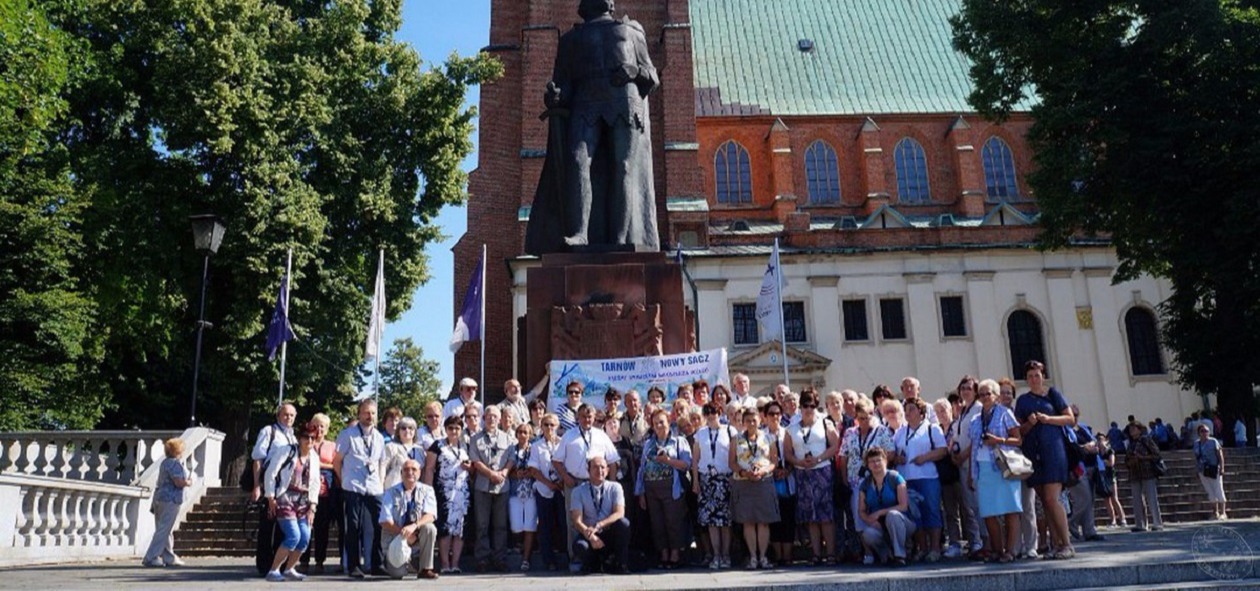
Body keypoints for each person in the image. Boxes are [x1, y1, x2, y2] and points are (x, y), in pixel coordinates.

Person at [524, 0, 660, 254]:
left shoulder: (631, 31)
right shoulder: (570, 40)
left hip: (624, 102)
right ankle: (579, 234)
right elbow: (563, 85)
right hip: (585, 105)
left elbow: (652, 77)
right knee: (577, 160)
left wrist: (633, 71)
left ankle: (620, 238)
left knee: (624, 167)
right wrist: (555, 95)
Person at [1014, 360, 1076, 560]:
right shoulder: (1023, 401)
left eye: (1037, 375)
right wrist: (1030, 424)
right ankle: (1056, 544)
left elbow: (1070, 419)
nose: (1034, 379)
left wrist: (1049, 419)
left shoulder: (1053, 394)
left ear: (1043, 376)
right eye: (1030, 376)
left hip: (1054, 452)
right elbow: (1019, 430)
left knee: (1051, 498)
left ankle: (1067, 543)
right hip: (1033, 455)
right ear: (1026, 379)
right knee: (1046, 502)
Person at [553, 403, 621, 560]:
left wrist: (610, 483)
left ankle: (601, 554)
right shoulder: (569, 436)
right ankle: (575, 556)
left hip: (598, 483)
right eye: (583, 416)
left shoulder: (601, 435)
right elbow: (556, 460)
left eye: (590, 416)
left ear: (594, 417)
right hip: (574, 482)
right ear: (578, 417)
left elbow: (612, 460)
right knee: (574, 521)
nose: (587, 419)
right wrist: (566, 477)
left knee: (600, 517)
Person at [783, 389, 840, 565]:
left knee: (825, 515)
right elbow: (787, 452)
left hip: (822, 471)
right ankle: (816, 554)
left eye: (812, 405)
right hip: (803, 473)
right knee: (810, 516)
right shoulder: (791, 428)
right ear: (800, 407)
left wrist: (818, 459)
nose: (809, 409)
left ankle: (830, 553)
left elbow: (835, 446)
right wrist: (799, 462)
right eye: (805, 405)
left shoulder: (825, 423)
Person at [969, 379, 1023, 563]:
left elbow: (1018, 440)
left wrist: (998, 440)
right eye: (981, 394)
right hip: (983, 467)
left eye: (988, 394)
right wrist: (971, 473)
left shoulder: (1005, 413)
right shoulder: (976, 419)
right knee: (988, 511)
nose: (985, 397)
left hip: (1003, 466)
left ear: (996, 395)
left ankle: (1010, 551)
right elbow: (973, 448)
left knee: (1010, 509)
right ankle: (997, 550)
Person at [838, 395, 895, 565]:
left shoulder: (882, 431)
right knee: (859, 516)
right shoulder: (850, 433)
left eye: (868, 416)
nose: (865, 421)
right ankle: (868, 552)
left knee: (879, 514)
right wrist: (844, 478)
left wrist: (879, 467)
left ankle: (887, 550)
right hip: (856, 481)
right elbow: (844, 456)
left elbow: (890, 452)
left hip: (877, 480)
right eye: (861, 417)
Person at [335, 398, 387, 578]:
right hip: (353, 486)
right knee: (354, 526)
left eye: (373, 413)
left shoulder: (379, 437)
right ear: (359, 413)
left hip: (374, 487)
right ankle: (353, 565)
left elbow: (381, 462)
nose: (369, 416)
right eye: (366, 412)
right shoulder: (348, 434)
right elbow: (337, 461)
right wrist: (344, 481)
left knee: (379, 524)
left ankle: (376, 563)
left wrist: (380, 482)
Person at [262, 425, 321, 581]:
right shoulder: (287, 451)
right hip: (285, 498)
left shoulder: (314, 457)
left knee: (305, 537)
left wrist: (313, 507)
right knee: (293, 535)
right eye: (306, 437)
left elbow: (315, 484)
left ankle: (289, 568)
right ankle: (273, 570)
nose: (309, 441)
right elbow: (270, 473)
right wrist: (270, 497)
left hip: (304, 502)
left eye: (312, 438)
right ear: (299, 438)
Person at [635, 408, 692, 570]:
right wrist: (641, 493)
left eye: (662, 422)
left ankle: (675, 554)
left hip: (671, 487)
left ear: (668, 422)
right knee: (657, 522)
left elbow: (686, 464)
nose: (659, 426)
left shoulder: (679, 441)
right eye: (655, 423)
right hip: (651, 488)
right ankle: (663, 553)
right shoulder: (648, 444)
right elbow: (642, 469)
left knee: (673, 521)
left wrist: (668, 461)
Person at [892, 397, 946, 562]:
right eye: (906, 410)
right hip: (906, 478)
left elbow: (943, 450)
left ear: (921, 412)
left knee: (931, 510)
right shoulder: (900, 432)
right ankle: (922, 548)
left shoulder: (932, 429)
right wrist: (897, 459)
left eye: (912, 409)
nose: (907, 413)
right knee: (915, 515)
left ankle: (935, 548)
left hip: (928, 477)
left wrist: (925, 457)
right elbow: (893, 453)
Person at [250, 402, 297, 575]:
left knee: (282, 526)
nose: (288, 418)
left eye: (292, 415)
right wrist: (256, 486)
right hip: (269, 485)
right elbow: (258, 459)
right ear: (278, 416)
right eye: (285, 414)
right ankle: (264, 565)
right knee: (267, 525)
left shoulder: (293, 437)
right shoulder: (269, 432)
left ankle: (278, 564)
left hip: (285, 490)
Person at [730, 407, 779, 569]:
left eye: (754, 420)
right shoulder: (736, 439)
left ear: (760, 420)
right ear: (743, 422)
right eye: (748, 420)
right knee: (748, 522)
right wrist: (744, 472)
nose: (751, 423)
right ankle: (752, 557)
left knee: (763, 522)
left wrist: (764, 470)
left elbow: (774, 461)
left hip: (763, 482)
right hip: (744, 482)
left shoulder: (769, 438)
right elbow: (732, 462)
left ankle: (763, 556)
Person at [423, 415, 471, 574]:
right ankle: (444, 564)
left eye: (457, 428)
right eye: (451, 428)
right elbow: (429, 468)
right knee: (444, 528)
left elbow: (472, 468)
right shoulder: (437, 446)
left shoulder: (465, 446)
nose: (454, 431)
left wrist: (468, 467)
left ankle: (455, 563)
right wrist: (428, 491)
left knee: (460, 529)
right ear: (445, 429)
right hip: (443, 493)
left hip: (461, 493)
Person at [469, 405, 514, 572]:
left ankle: (500, 559)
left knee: (501, 525)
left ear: (499, 419)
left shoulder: (507, 438)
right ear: (483, 418)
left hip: (502, 486)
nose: (491, 419)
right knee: (481, 525)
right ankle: (482, 559)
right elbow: (475, 460)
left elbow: (511, 458)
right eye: (488, 416)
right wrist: (490, 474)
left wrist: (504, 472)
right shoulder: (475, 439)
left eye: (495, 416)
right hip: (482, 486)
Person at [691, 401, 736, 569]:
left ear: (720, 412)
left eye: (714, 412)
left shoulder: (730, 431)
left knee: (725, 520)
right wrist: (695, 480)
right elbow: (695, 459)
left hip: (725, 479)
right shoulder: (700, 434)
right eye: (708, 412)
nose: (711, 415)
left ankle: (726, 555)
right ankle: (716, 555)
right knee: (711, 520)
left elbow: (734, 456)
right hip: (707, 480)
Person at [569, 455, 631, 574]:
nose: (599, 471)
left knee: (624, 523)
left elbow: (619, 513)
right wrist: (591, 536)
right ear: (588, 470)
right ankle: (594, 564)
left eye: (602, 467)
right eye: (595, 467)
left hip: (608, 531)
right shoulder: (578, 491)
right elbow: (577, 521)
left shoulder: (615, 487)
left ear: (607, 470)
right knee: (580, 546)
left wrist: (599, 525)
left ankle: (621, 564)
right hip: (589, 533)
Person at [379, 459, 439, 579]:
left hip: (416, 538)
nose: (410, 472)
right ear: (401, 473)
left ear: (419, 473)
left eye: (414, 469)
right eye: (406, 470)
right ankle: (402, 564)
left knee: (430, 528)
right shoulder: (390, 492)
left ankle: (425, 569)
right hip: (395, 539)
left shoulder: (428, 490)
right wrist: (404, 534)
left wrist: (414, 526)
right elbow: (385, 521)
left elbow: (431, 515)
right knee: (398, 574)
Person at [857, 448, 916, 566]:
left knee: (892, 515)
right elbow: (861, 511)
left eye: (878, 460)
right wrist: (869, 520)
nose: (876, 464)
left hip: (901, 522)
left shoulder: (895, 478)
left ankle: (900, 555)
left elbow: (903, 506)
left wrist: (880, 513)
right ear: (867, 465)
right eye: (872, 461)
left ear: (885, 461)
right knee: (867, 534)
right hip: (879, 526)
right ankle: (886, 555)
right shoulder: (865, 484)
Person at [948, 376, 985, 559]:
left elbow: (977, 438)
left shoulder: (979, 409)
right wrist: (955, 452)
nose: (965, 391)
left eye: (969, 388)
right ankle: (976, 542)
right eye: (962, 388)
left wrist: (964, 454)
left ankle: (986, 542)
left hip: (974, 463)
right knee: (969, 506)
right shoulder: (963, 411)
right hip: (962, 464)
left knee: (979, 504)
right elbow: (957, 436)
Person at [300, 413, 340, 573]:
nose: (319, 429)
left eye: (322, 426)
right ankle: (303, 560)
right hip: (305, 490)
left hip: (325, 491)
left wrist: (319, 465)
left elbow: (336, 465)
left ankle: (319, 561)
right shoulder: (306, 443)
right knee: (305, 527)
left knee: (322, 528)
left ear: (327, 428)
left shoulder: (332, 446)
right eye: (316, 425)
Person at [143, 438, 191, 568]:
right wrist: (188, 482)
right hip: (170, 500)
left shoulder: (164, 463)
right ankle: (151, 557)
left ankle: (168, 556)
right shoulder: (175, 464)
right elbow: (178, 482)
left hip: (160, 498)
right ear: (178, 451)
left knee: (165, 528)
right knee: (164, 529)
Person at [762, 400, 798, 566]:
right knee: (774, 520)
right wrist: (773, 470)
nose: (774, 417)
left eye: (777, 413)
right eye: (771, 414)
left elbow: (794, 454)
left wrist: (787, 470)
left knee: (788, 518)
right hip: (769, 481)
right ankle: (778, 555)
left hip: (788, 479)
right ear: (765, 416)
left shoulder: (788, 433)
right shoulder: (761, 436)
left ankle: (788, 555)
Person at [529, 414, 566, 571]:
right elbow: (533, 469)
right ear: (541, 427)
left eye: (552, 425)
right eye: (546, 424)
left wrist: (562, 482)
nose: (549, 428)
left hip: (563, 489)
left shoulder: (564, 443)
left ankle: (569, 556)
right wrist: (549, 484)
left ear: (557, 426)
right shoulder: (536, 446)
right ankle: (548, 560)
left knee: (565, 523)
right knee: (545, 525)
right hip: (544, 489)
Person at [509, 423, 539, 571]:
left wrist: (530, 472)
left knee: (530, 526)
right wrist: (515, 473)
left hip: (530, 491)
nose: (522, 435)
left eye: (525, 432)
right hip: (515, 491)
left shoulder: (534, 450)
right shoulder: (510, 450)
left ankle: (526, 558)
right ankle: (519, 546)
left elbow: (539, 467)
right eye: (520, 432)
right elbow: (505, 468)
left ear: (530, 435)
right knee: (516, 526)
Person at [1124, 422, 1164, 532]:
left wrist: (1143, 458)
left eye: (1134, 428)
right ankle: (1140, 524)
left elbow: (1157, 454)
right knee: (1137, 500)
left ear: (1140, 429)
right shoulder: (1130, 444)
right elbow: (1126, 459)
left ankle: (1157, 523)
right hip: (1134, 473)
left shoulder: (1146, 440)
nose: (1131, 430)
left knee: (1151, 498)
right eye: (1130, 428)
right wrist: (1130, 461)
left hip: (1147, 472)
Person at [1193, 423, 1228, 519]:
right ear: (1199, 433)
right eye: (1202, 431)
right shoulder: (1196, 443)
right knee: (1209, 491)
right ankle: (1215, 512)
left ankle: (1223, 512)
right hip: (1202, 470)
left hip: (1213, 468)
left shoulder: (1213, 441)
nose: (1205, 433)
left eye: (1206, 431)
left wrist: (1222, 467)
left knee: (1218, 488)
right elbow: (1196, 457)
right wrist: (1196, 469)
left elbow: (1220, 455)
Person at [383, 417, 424, 490]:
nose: (407, 430)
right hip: (394, 490)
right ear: (398, 431)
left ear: (415, 431)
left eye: (411, 428)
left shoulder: (420, 450)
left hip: (415, 492)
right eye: (403, 428)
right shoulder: (390, 447)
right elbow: (382, 469)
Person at [1095, 433, 1126, 528]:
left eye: (1101, 439)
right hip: (1102, 477)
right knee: (1106, 500)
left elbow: (1111, 463)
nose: (1100, 441)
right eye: (1098, 439)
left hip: (1110, 476)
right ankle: (1113, 520)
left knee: (1114, 498)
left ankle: (1122, 519)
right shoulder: (1097, 453)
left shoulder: (1110, 451)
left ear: (1106, 440)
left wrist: (1103, 462)